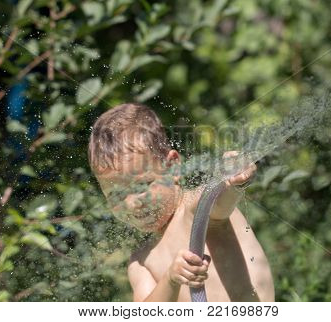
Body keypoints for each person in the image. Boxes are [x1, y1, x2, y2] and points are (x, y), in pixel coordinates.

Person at [88, 103, 274, 301]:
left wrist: (232, 178)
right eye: (116, 195)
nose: (132, 204)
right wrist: (170, 280)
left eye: (141, 186)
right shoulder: (141, 262)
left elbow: (219, 200)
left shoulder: (195, 208)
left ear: (173, 167)